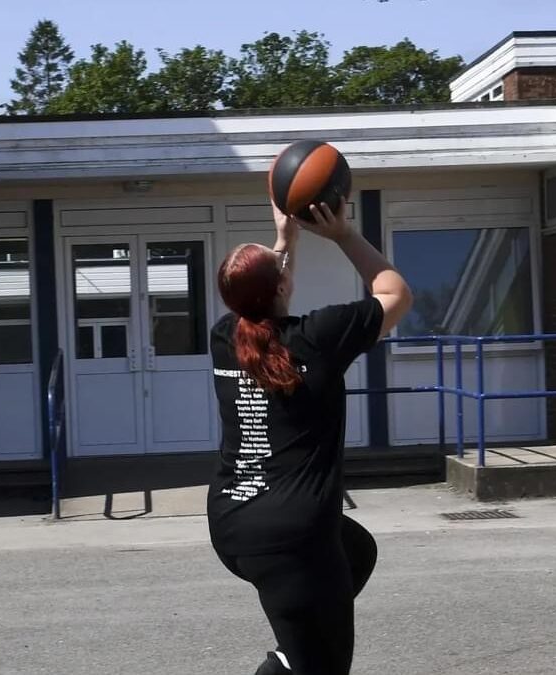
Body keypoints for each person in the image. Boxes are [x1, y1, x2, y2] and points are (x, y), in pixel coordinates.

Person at [207, 199, 413, 675]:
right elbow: (395, 293)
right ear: (281, 286)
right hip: (292, 541)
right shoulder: (319, 336)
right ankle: (297, 654)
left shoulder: (225, 337)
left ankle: (293, 650)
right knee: (324, 667)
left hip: (233, 524)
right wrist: (343, 233)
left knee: (356, 551)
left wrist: (285, 240)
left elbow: (264, 298)